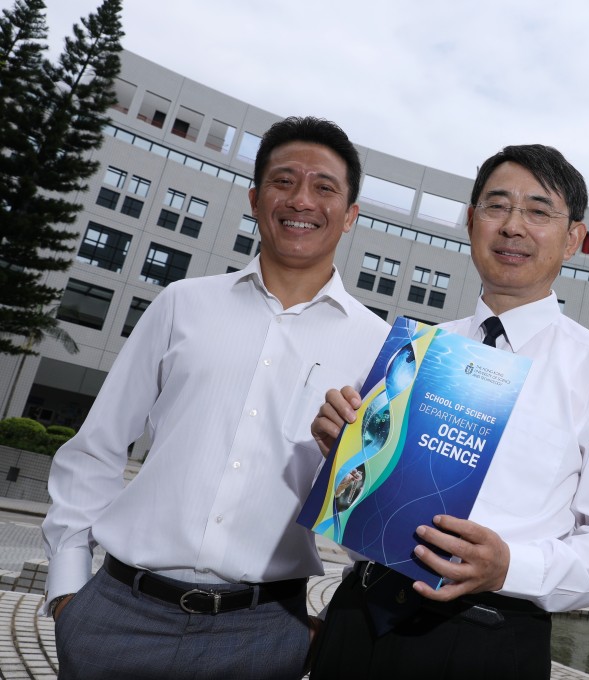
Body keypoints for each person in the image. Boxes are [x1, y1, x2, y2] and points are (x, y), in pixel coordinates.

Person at [41, 116, 391, 679]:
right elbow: (97, 448)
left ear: (350, 215)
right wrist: (67, 596)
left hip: (264, 635)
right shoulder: (182, 304)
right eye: (283, 181)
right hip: (117, 617)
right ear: (255, 199)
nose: (301, 199)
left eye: (325, 187)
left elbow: (374, 517)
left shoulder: (381, 351)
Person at [308, 144, 589, 680]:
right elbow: (365, 491)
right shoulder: (417, 349)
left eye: (539, 212)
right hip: (360, 616)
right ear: (471, 222)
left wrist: (511, 566)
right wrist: (340, 452)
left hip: (486, 638)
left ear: (573, 240)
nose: (514, 226)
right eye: (497, 206)